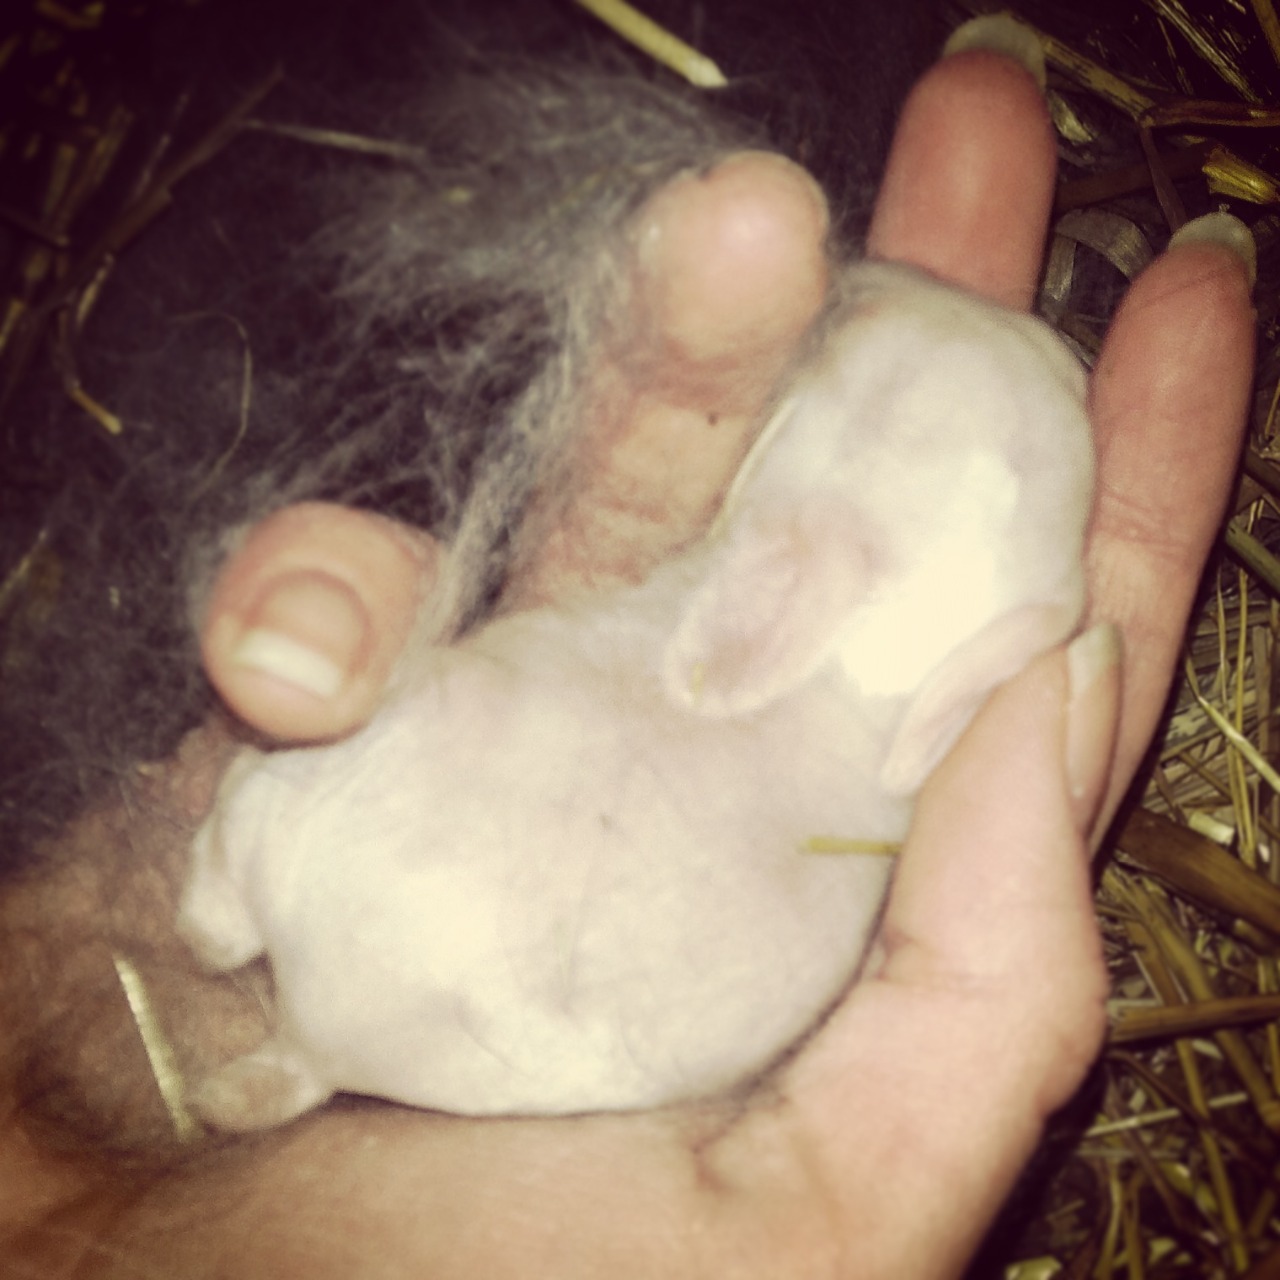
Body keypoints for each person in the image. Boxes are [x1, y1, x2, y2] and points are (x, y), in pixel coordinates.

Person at [0, 23, 1255, 1277]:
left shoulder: (767, 598)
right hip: (532, 1034)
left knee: (430, 723)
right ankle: (297, 1013)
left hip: (417, 892)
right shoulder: (902, 741)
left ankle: (240, 913)